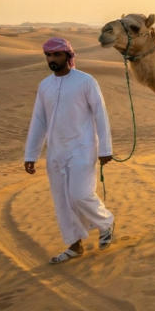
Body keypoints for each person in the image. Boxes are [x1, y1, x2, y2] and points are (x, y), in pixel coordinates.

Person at [24, 38, 116, 264]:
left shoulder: (86, 81)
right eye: (48, 55)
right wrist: (31, 155)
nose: (52, 59)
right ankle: (75, 246)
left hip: (82, 149)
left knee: (80, 194)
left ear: (68, 55)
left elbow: (100, 115)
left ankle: (106, 222)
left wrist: (105, 148)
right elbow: (38, 121)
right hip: (56, 152)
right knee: (62, 202)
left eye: (56, 55)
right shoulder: (45, 85)